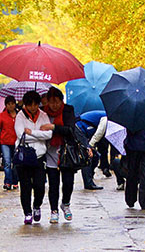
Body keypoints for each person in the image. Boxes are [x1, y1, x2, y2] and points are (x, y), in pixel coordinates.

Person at [40, 87, 91, 223]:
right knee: (53, 183)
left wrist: (53, 127)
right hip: (50, 151)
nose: (54, 105)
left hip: (66, 151)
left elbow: (70, 129)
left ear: (61, 101)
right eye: (51, 102)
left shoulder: (68, 110)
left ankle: (66, 204)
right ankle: (54, 210)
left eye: (57, 102)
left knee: (68, 182)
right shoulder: (42, 112)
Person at [14, 90, 52, 225]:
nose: (33, 108)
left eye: (36, 104)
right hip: (24, 157)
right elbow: (21, 136)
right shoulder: (20, 116)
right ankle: (27, 212)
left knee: (40, 185)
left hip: (39, 156)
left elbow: (49, 135)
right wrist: (39, 134)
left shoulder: (43, 116)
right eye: (30, 105)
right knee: (25, 186)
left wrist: (32, 132)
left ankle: (37, 206)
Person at [76, 110, 107, 190]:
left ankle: (90, 177)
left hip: (84, 132)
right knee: (88, 156)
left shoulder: (105, 117)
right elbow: (99, 133)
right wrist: (90, 146)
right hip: (79, 130)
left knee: (95, 156)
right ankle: (88, 183)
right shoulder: (106, 118)